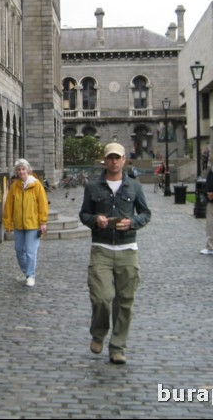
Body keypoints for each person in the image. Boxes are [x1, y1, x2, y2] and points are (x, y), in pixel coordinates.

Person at [79, 142, 150, 365]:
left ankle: (117, 346)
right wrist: (95, 221)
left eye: (117, 157)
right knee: (101, 297)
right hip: (101, 248)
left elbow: (145, 214)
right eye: (110, 157)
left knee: (125, 301)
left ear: (124, 160)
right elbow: (84, 214)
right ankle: (98, 333)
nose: (114, 161)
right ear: (104, 160)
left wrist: (132, 223)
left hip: (128, 249)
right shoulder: (93, 187)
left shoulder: (135, 187)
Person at [2, 159, 49, 287]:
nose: (21, 172)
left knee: (30, 251)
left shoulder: (36, 185)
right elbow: (8, 206)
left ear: (28, 170)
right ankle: (26, 271)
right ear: (16, 172)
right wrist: (7, 223)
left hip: (33, 224)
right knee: (18, 250)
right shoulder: (15, 186)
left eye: (23, 169)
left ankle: (30, 275)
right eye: (19, 169)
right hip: (18, 224)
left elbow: (43, 204)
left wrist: (43, 221)